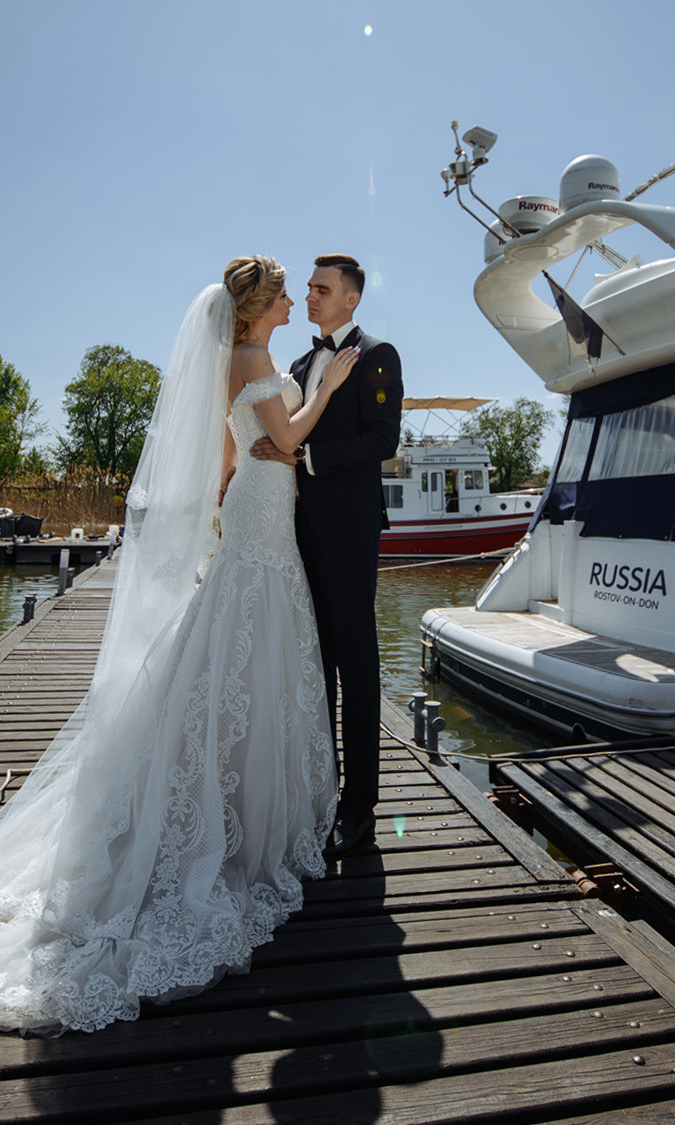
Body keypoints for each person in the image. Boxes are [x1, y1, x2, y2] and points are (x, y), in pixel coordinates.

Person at [0, 255, 358, 1035]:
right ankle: (240, 810)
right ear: (256, 308)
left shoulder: (235, 359)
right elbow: (286, 434)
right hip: (264, 511)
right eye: (282, 294)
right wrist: (326, 390)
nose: (289, 303)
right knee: (252, 648)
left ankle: (232, 787)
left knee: (235, 650)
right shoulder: (254, 357)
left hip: (256, 506)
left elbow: (233, 454)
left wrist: (234, 490)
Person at [252, 253, 403, 857]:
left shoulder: (378, 355)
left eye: (322, 289)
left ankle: (361, 808)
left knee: (357, 664)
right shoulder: (295, 363)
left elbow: (382, 440)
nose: (310, 297)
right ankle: (322, 791)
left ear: (352, 299)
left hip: (348, 532)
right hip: (297, 533)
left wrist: (305, 460)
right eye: (309, 289)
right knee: (314, 667)